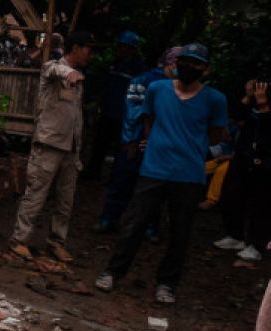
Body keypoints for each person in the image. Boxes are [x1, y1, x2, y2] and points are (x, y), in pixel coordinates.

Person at [95, 43, 229, 304]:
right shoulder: (157, 90)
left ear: (206, 69)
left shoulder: (215, 99)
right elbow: (148, 122)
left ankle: (167, 284)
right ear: (176, 63)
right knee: (134, 223)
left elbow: (215, 134)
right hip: (154, 169)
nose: (188, 67)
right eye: (184, 61)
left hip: (189, 174)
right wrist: (153, 143)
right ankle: (112, 272)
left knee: (180, 233)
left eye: (196, 64)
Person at [8, 31, 95, 263]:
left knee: (65, 200)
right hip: (49, 143)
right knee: (36, 193)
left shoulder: (80, 79)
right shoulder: (54, 68)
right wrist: (70, 72)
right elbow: (53, 69)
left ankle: (57, 242)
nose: (90, 54)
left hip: (71, 147)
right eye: (88, 48)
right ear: (75, 48)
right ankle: (19, 240)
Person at [96, 46, 180, 232]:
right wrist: (131, 141)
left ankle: (150, 226)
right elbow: (132, 114)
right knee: (123, 181)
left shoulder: (182, 87)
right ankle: (110, 218)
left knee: (156, 187)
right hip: (137, 140)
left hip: (161, 144)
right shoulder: (144, 80)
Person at [214, 81, 271, 261]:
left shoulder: (264, 105)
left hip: (265, 161)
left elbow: (268, 131)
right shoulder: (252, 102)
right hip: (243, 156)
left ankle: (257, 245)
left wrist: (263, 105)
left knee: (260, 205)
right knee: (232, 195)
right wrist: (247, 97)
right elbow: (235, 116)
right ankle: (235, 236)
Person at [85, 31, 146, 179]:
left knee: (121, 148)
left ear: (131, 49)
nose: (120, 49)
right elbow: (106, 86)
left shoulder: (138, 69)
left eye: (124, 47)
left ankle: (115, 177)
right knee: (99, 144)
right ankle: (92, 172)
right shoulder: (114, 64)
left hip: (124, 116)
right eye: (119, 46)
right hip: (107, 112)